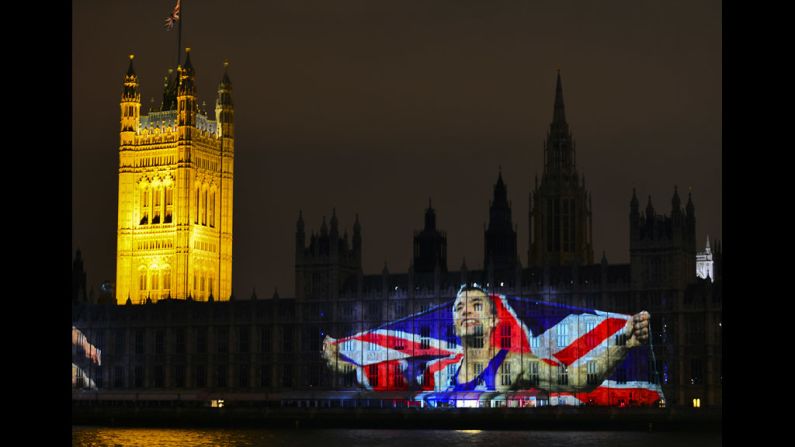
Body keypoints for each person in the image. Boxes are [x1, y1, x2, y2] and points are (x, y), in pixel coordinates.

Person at [322, 286, 655, 403]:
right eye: (458, 307)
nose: (466, 311)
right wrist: (337, 357)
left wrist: (622, 341)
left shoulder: (515, 365)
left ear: (495, 321)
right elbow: (370, 378)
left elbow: (582, 380)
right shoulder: (439, 371)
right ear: (452, 322)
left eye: (476, 305)